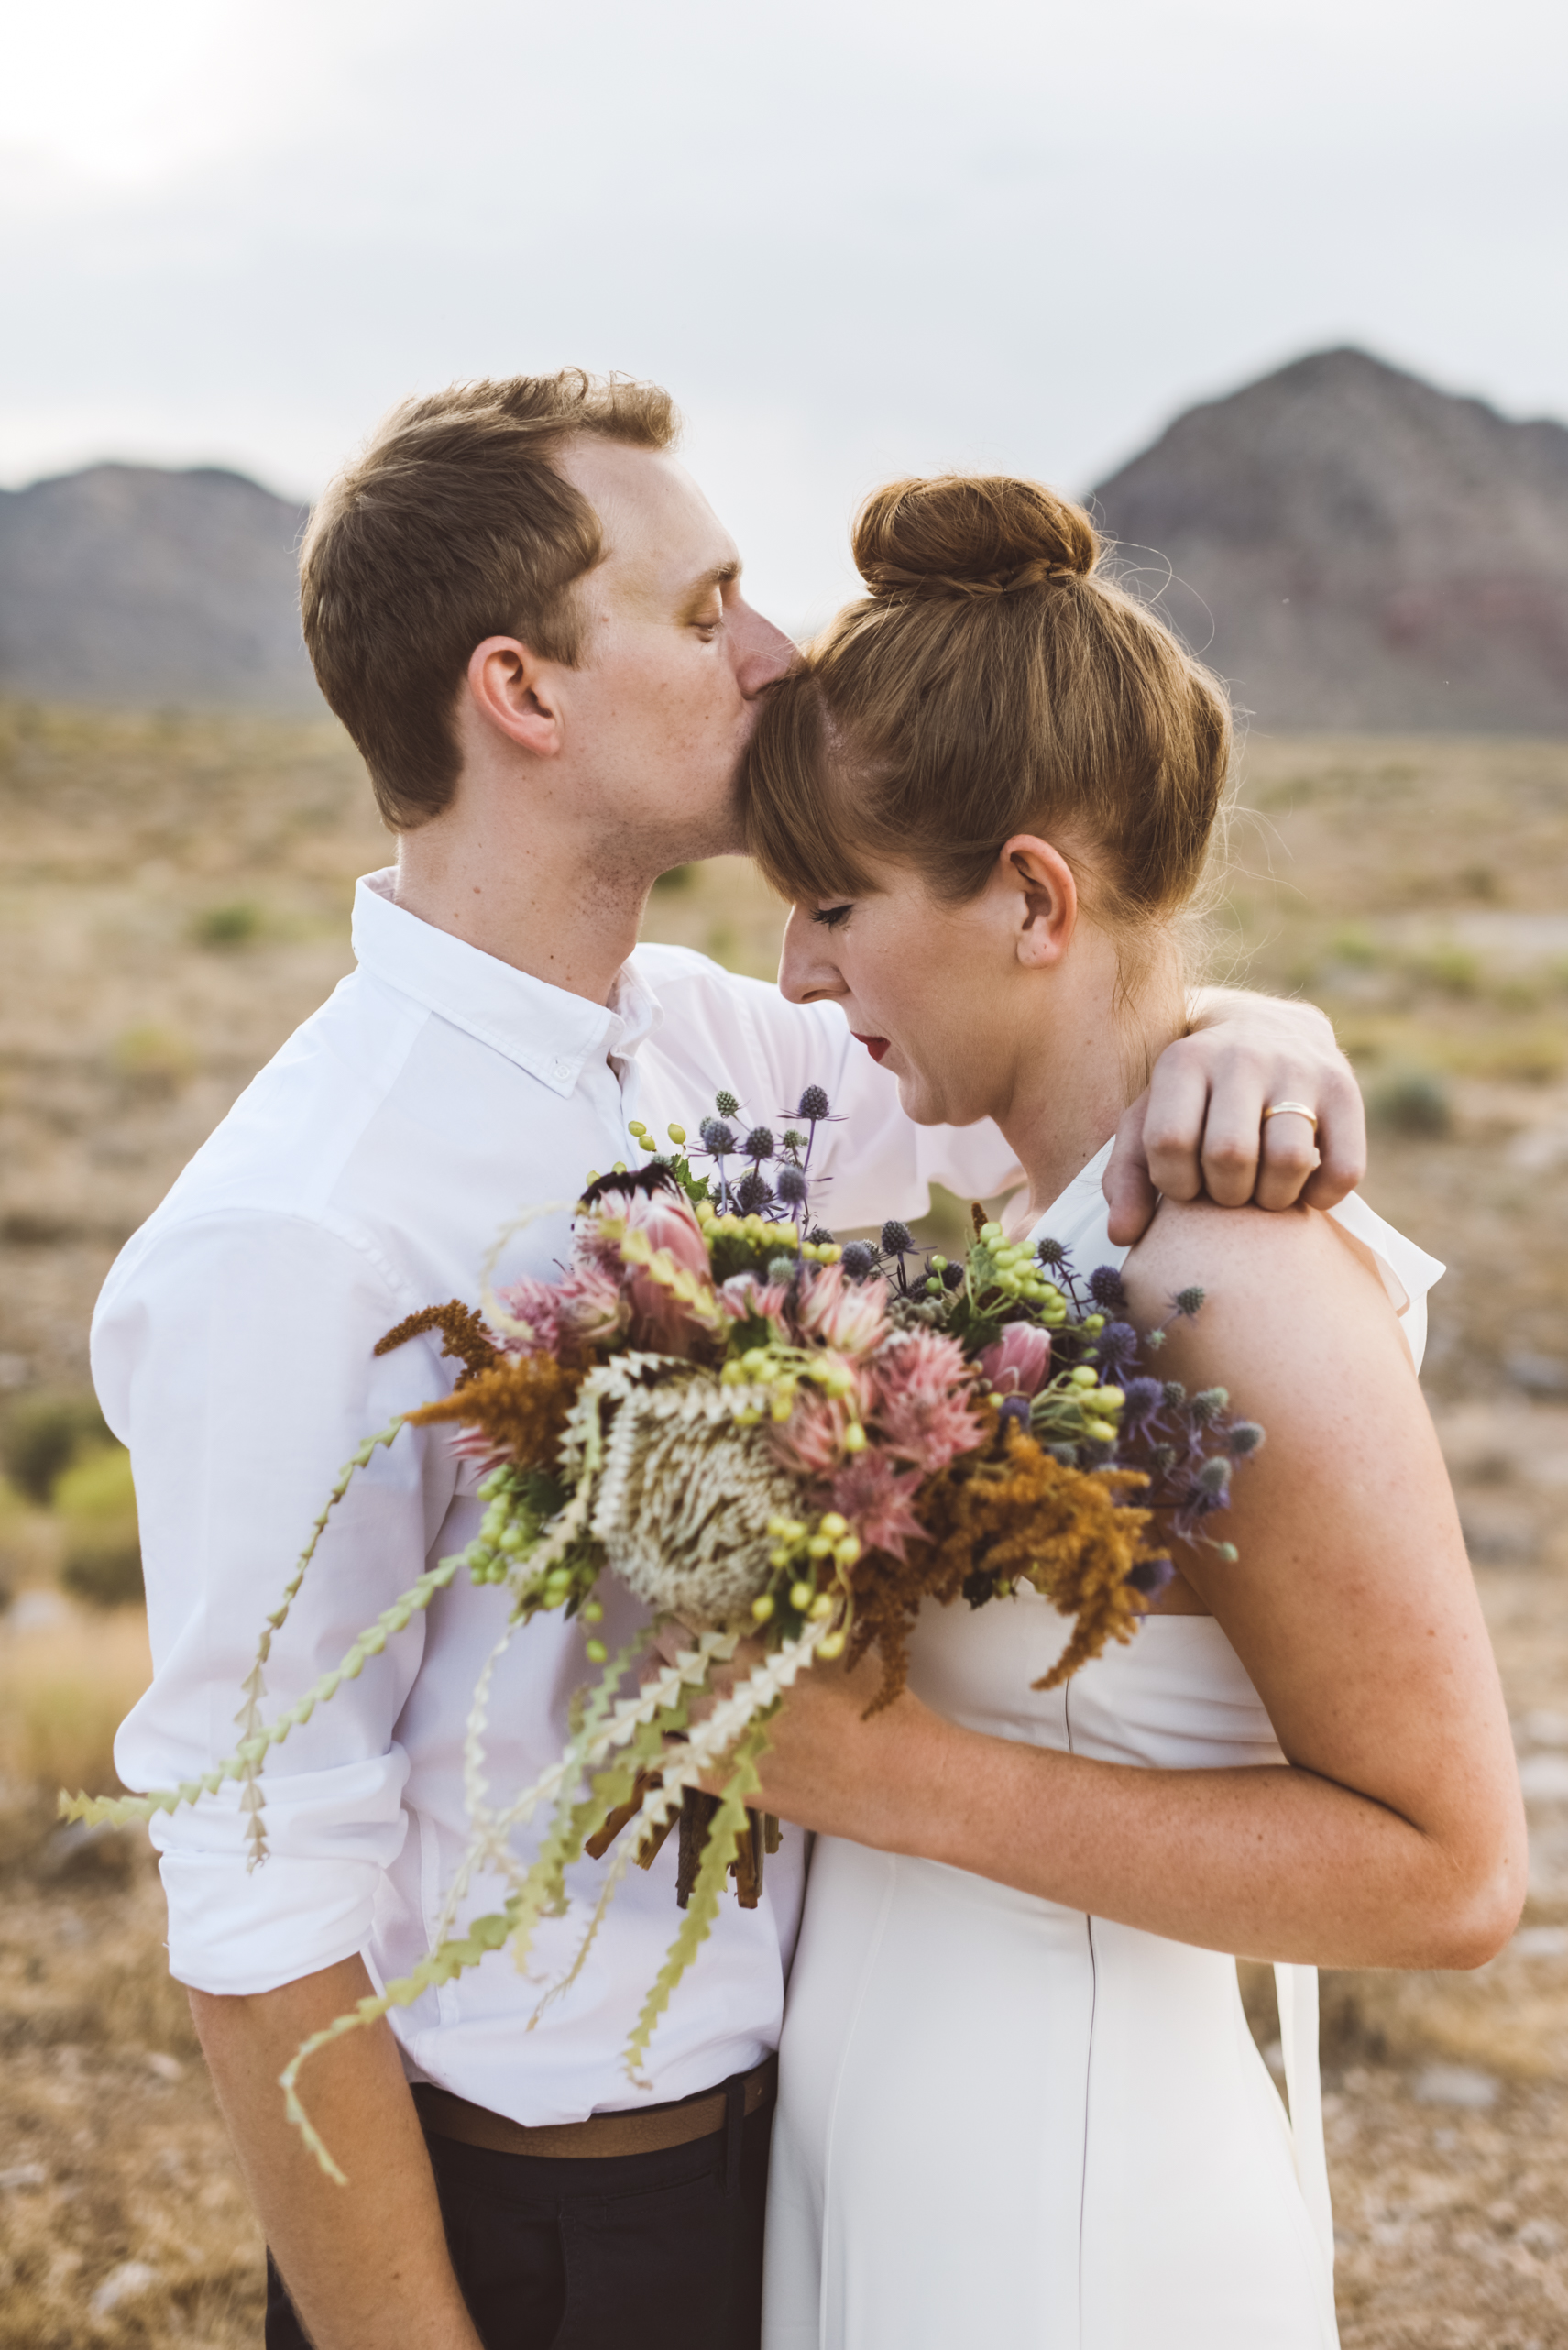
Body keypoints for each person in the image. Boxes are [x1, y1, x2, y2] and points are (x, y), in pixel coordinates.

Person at [94, 377, 1366, 2350]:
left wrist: (1259, 1030)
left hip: (824, 2157)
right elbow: (261, 1908)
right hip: (543, 2230)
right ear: (521, 691)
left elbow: (1036, 1093)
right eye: (703, 614)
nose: (773, 660)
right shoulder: (303, 1227)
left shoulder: (715, 1046)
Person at [737, 471, 1528, 2349]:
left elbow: (1452, 1871)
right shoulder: (1037, 1217)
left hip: (1065, 2202)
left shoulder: (1223, 1273)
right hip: (905, 2145)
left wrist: (896, 1777)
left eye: (834, 904)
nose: (797, 970)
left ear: (1030, 895)